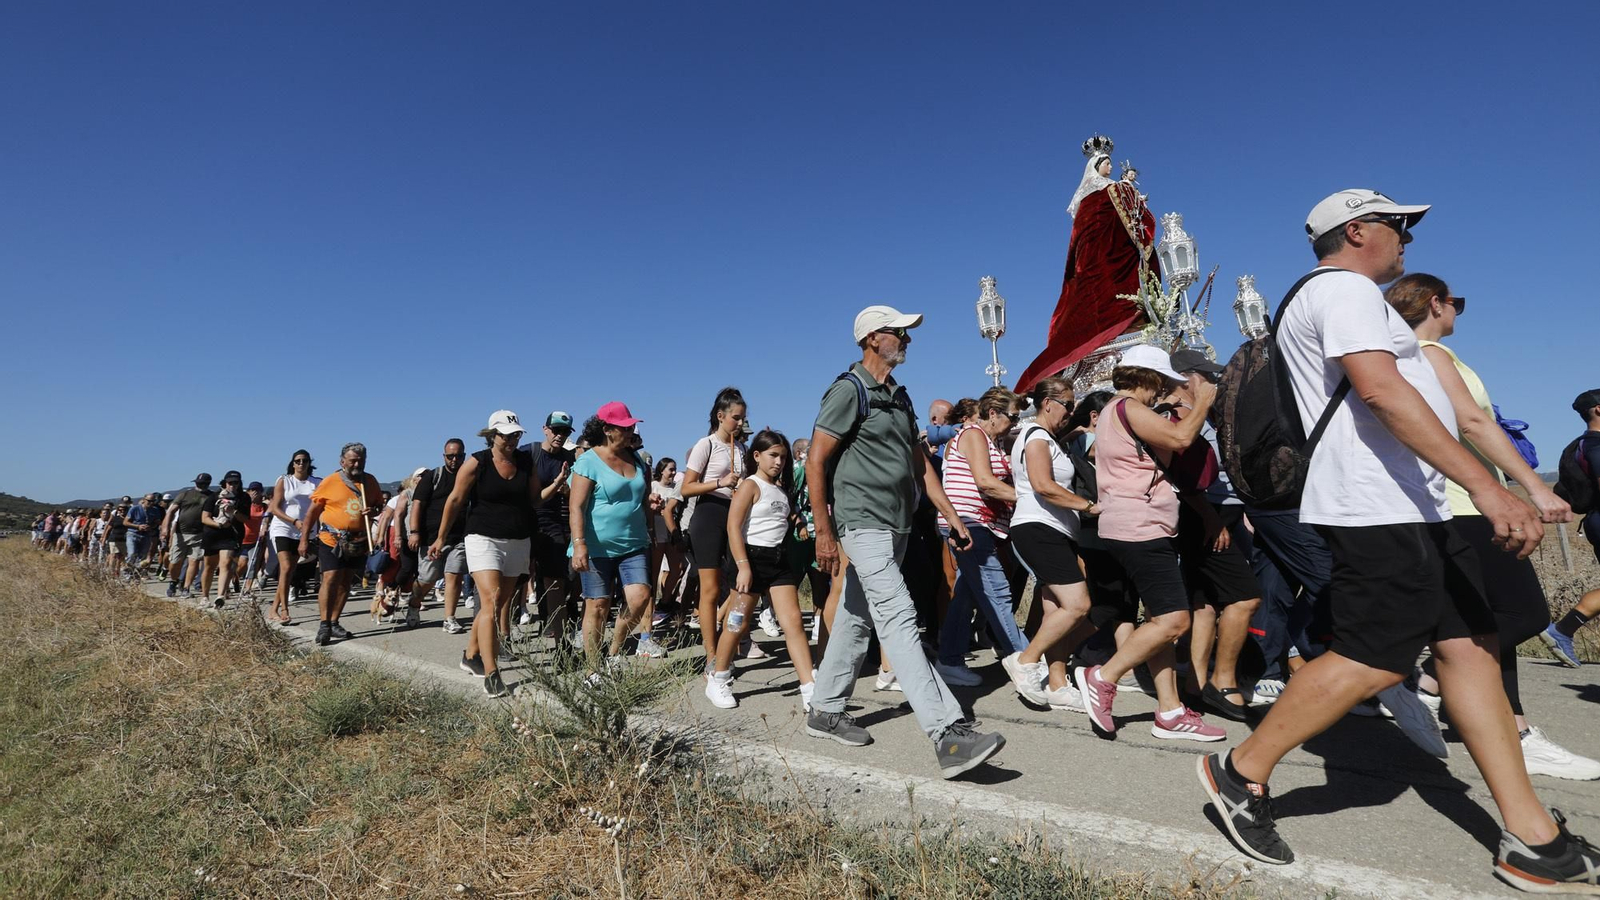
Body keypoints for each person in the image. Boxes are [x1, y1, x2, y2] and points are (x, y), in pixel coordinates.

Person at [1196, 190, 1600, 893]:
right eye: (1400, 225)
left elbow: (1450, 410)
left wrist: (1520, 487)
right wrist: (1491, 488)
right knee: (1373, 658)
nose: (1409, 239)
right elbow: (1381, 393)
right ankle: (1240, 773)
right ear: (1357, 230)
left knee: (1472, 648)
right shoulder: (1344, 290)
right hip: (1371, 509)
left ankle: (1532, 837)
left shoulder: (1366, 305)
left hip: (1415, 508)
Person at [1383, 274, 1597, 779]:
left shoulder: (1406, 358)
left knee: (1485, 619)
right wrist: (1533, 489)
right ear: (1436, 303)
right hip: (1461, 504)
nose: (1459, 310)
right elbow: (1477, 425)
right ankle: (1429, 678)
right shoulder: (1430, 355)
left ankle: (1513, 728)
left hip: (1454, 503)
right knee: (1522, 613)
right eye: (1457, 301)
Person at [804, 304, 1005, 780]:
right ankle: (948, 733)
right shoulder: (849, 390)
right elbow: (815, 461)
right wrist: (824, 531)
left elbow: (921, 465)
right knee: (898, 616)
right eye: (899, 333)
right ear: (873, 338)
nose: (908, 340)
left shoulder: (898, 396)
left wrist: (951, 515)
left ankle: (825, 709)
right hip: (862, 523)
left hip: (896, 525)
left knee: (857, 617)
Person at [1075, 344, 1227, 742]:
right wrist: (1202, 401)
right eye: (1163, 382)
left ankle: (1171, 710)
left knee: (1161, 620)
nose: (1165, 389)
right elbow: (1180, 440)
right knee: (1176, 620)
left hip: (1133, 524)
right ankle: (1102, 676)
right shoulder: (1128, 408)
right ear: (1149, 377)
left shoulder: (1115, 412)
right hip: (1140, 526)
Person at [1016, 136, 1158, 393]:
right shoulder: (1097, 194)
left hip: (1114, 255)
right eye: (1106, 164)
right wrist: (1126, 190)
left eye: (1110, 164)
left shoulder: (1112, 189)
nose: (1110, 168)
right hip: (1097, 259)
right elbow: (1090, 230)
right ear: (1095, 165)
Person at [1166, 348, 1264, 722]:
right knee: (1246, 598)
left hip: (1221, 511)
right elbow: (1185, 477)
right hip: (1205, 512)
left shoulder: (1198, 414)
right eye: (1205, 375)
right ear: (1185, 378)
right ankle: (1223, 683)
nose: (1213, 382)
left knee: (1204, 603)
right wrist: (1211, 518)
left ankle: (1195, 685)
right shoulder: (1178, 416)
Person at [1001, 376, 1099, 710]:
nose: (1072, 412)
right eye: (1068, 405)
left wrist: (1074, 434)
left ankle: (1058, 684)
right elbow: (1043, 485)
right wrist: (1088, 505)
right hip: (1039, 528)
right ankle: (1025, 661)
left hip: (1053, 530)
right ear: (1048, 404)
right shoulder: (1036, 436)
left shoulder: (1044, 437)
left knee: (1056, 609)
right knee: (1078, 605)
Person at [431, 411, 542, 699]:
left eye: (516, 435)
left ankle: (470, 655)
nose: (512, 440)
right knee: (491, 602)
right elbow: (455, 499)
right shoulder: (477, 462)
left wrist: (558, 486)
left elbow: (534, 499)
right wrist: (441, 537)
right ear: (493, 435)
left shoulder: (526, 462)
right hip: (483, 538)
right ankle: (492, 673)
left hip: (518, 539)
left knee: (498, 604)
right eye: (506, 435)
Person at [706, 429, 815, 710]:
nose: (778, 461)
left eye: (783, 457)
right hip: (750, 560)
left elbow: (783, 514)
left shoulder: (780, 489)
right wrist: (742, 566)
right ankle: (718, 678)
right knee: (737, 623)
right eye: (773, 455)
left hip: (778, 562)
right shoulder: (750, 485)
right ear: (757, 456)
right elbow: (733, 526)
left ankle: (809, 689)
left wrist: (800, 523)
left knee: (792, 623)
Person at [935, 386, 1025, 685]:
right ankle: (1025, 660)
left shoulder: (992, 441)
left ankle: (949, 659)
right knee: (996, 590)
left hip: (980, 523)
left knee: (968, 593)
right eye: (1012, 416)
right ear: (992, 413)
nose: (1015, 422)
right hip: (968, 522)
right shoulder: (974, 435)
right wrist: (1030, 498)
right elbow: (985, 482)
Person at [568, 404, 655, 669]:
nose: (630, 432)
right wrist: (579, 544)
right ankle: (594, 669)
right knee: (597, 606)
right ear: (607, 430)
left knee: (640, 598)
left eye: (631, 426)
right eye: (624, 427)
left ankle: (614, 652)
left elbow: (641, 495)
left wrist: (653, 501)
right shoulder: (588, 461)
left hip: (634, 543)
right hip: (595, 547)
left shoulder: (636, 458)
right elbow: (576, 506)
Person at [681, 387, 748, 670]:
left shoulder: (742, 448)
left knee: (742, 585)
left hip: (735, 515)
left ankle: (725, 638)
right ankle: (711, 655)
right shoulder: (705, 445)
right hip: (709, 513)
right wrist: (720, 482)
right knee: (709, 589)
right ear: (721, 416)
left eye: (743, 418)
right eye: (736, 418)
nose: (741, 423)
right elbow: (687, 487)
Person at [300, 444, 384, 647]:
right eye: (353, 460)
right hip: (332, 539)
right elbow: (312, 512)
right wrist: (304, 538)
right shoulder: (330, 481)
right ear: (342, 461)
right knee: (330, 578)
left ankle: (334, 621)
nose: (357, 464)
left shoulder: (370, 481)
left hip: (359, 541)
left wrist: (373, 511)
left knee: (347, 582)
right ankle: (324, 624)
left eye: (361, 460)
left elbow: (379, 505)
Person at [1541, 388, 1600, 668]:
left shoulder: (1585, 444)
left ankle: (1562, 631)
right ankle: (1562, 631)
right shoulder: (1596, 445)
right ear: (1598, 410)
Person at [525, 413, 579, 639]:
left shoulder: (570, 457)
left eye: (565, 431)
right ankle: (503, 637)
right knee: (517, 582)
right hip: (526, 521)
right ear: (545, 429)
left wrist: (567, 490)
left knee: (558, 580)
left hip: (555, 524)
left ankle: (558, 637)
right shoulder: (529, 452)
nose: (560, 435)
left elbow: (574, 490)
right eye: (556, 430)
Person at [409, 439, 469, 633]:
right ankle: (414, 604)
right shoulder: (433, 476)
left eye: (458, 456)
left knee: (454, 575)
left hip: (459, 537)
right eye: (450, 456)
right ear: (444, 456)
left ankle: (449, 618)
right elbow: (417, 504)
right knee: (428, 578)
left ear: (464, 456)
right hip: (431, 538)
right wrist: (414, 532)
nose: (454, 459)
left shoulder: (469, 476)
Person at [266, 451, 320, 624]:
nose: (301, 463)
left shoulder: (317, 483)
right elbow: (275, 508)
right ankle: (284, 609)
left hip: (304, 531)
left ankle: (273, 609)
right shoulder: (284, 480)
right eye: (298, 461)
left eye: (304, 461)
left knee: (288, 572)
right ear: (293, 463)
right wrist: (294, 521)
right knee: (287, 566)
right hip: (283, 527)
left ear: (309, 463)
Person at [200, 471, 249, 606]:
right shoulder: (214, 497)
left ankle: (220, 595)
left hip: (231, 535)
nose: (233, 485)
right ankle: (204, 596)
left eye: (236, 482)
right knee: (209, 566)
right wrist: (219, 524)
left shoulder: (244, 497)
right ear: (225, 483)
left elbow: (245, 519)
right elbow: (204, 518)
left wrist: (234, 510)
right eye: (230, 482)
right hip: (213, 533)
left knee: (226, 563)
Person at [163, 474, 213, 598]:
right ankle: (173, 582)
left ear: (208, 484)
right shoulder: (185, 494)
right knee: (175, 561)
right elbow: (171, 511)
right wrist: (165, 528)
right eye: (198, 483)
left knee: (194, 561)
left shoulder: (212, 496)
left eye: (203, 483)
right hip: (181, 533)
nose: (200, 485)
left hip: (200, 533)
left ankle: (186, 587)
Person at [650, 457, 686, 626]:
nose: (672, 473)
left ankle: (664, 602)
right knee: (655, 571)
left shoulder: (675, 488)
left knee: (677, 568)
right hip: (657, 532)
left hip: (671, 531)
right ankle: (650, 609)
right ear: (662, 470)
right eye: (670, 469)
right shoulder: (653, 486)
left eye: (674, 469)